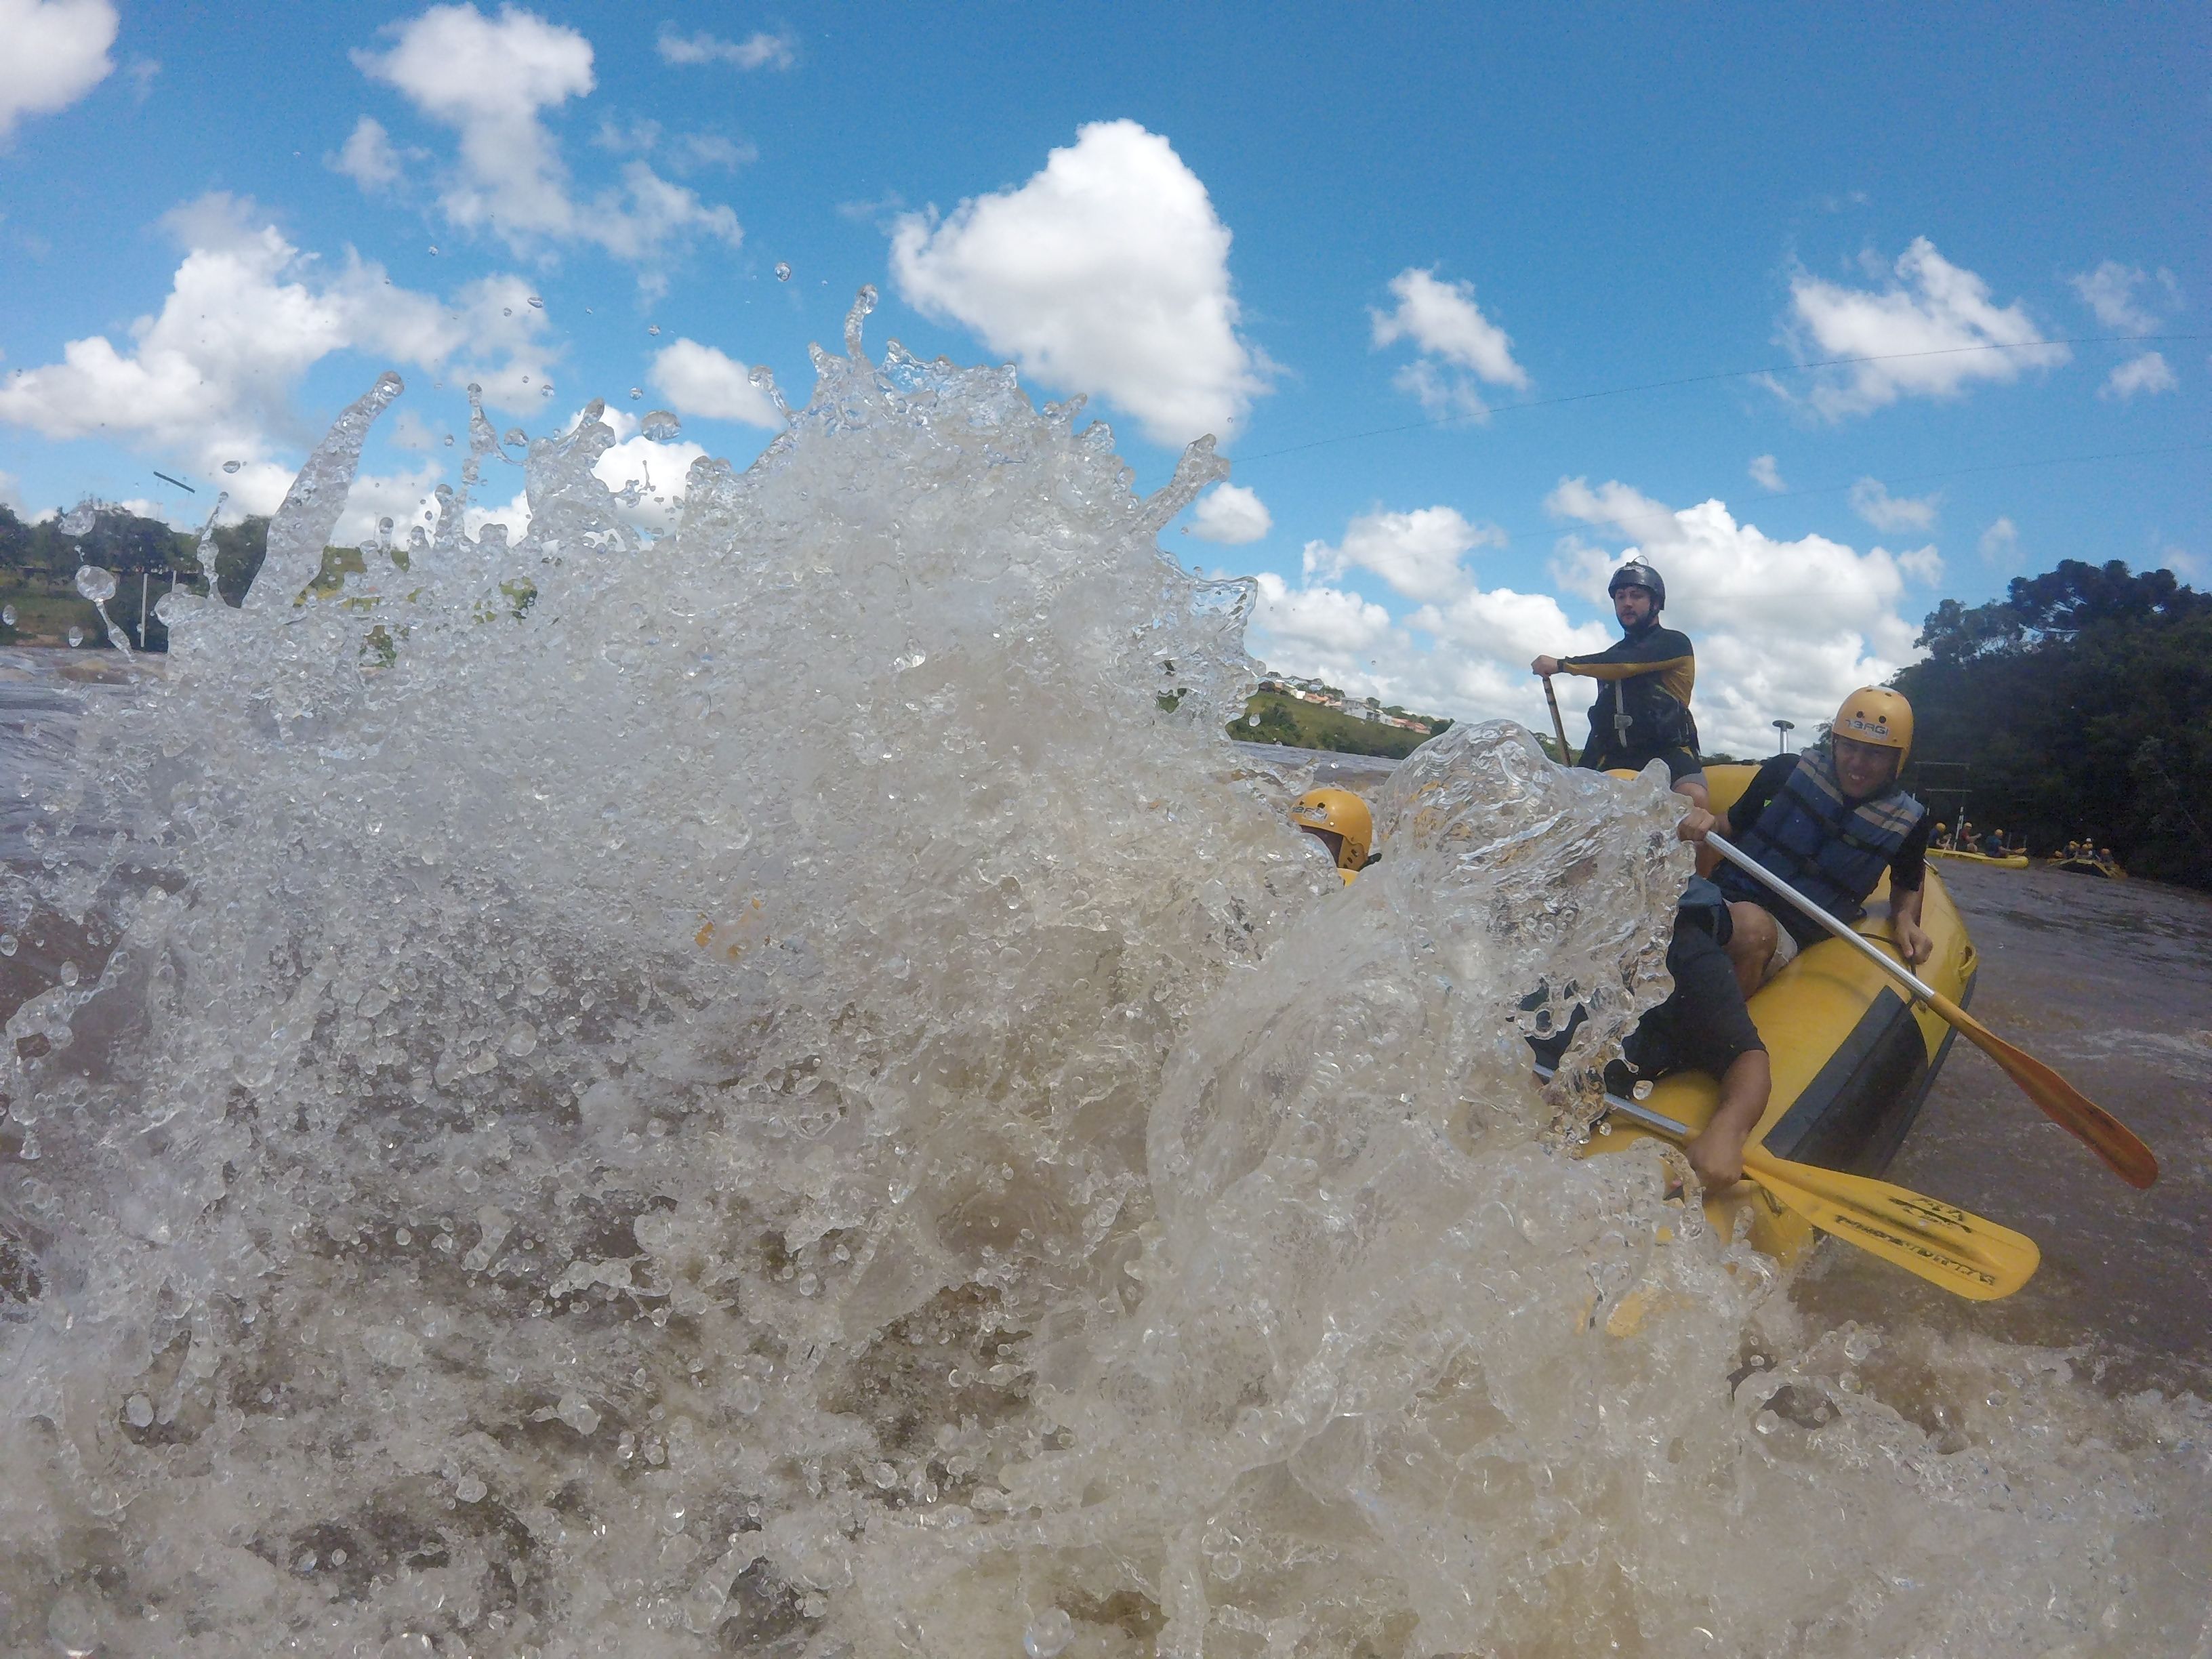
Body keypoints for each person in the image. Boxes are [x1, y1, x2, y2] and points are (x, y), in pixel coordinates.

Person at [1528, 861, 1771, 1191]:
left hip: (1590, 1092)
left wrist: (1728, 1132)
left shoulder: (1678, 944)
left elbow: (1746, 1055)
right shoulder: (1527, 918)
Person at [1682, 687, 1932, 998]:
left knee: (1750, 927)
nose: (1857, 763)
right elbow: (1728, 824)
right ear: (1835, 743)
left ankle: (1701, 1035)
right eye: (1849, 747)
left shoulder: (1909, 821)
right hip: (1720, 898)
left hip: (1784, 929)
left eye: (1875, 753)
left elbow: (1908, 883)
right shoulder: (1785, 771)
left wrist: (1905, 919)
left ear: (1898, 759)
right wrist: (1703, 821)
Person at [1532, 560, 1708, 809]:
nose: (1627, 603)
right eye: (1620, 597)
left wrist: (1562, 665)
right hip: (1614, 756)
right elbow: (1604, 717)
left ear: (1655, 603)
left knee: (1694, 799)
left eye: (1636, 596)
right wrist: (1579, 771)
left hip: (1668, 753)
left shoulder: (1675, 644)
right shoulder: (1609, 658)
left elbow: (1627, 664)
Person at [1289, 787, 1373, 884]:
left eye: (1321, 839)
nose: (1308, 849)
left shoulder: (1370, 886)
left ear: (1355, 849)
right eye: (1299, 837)